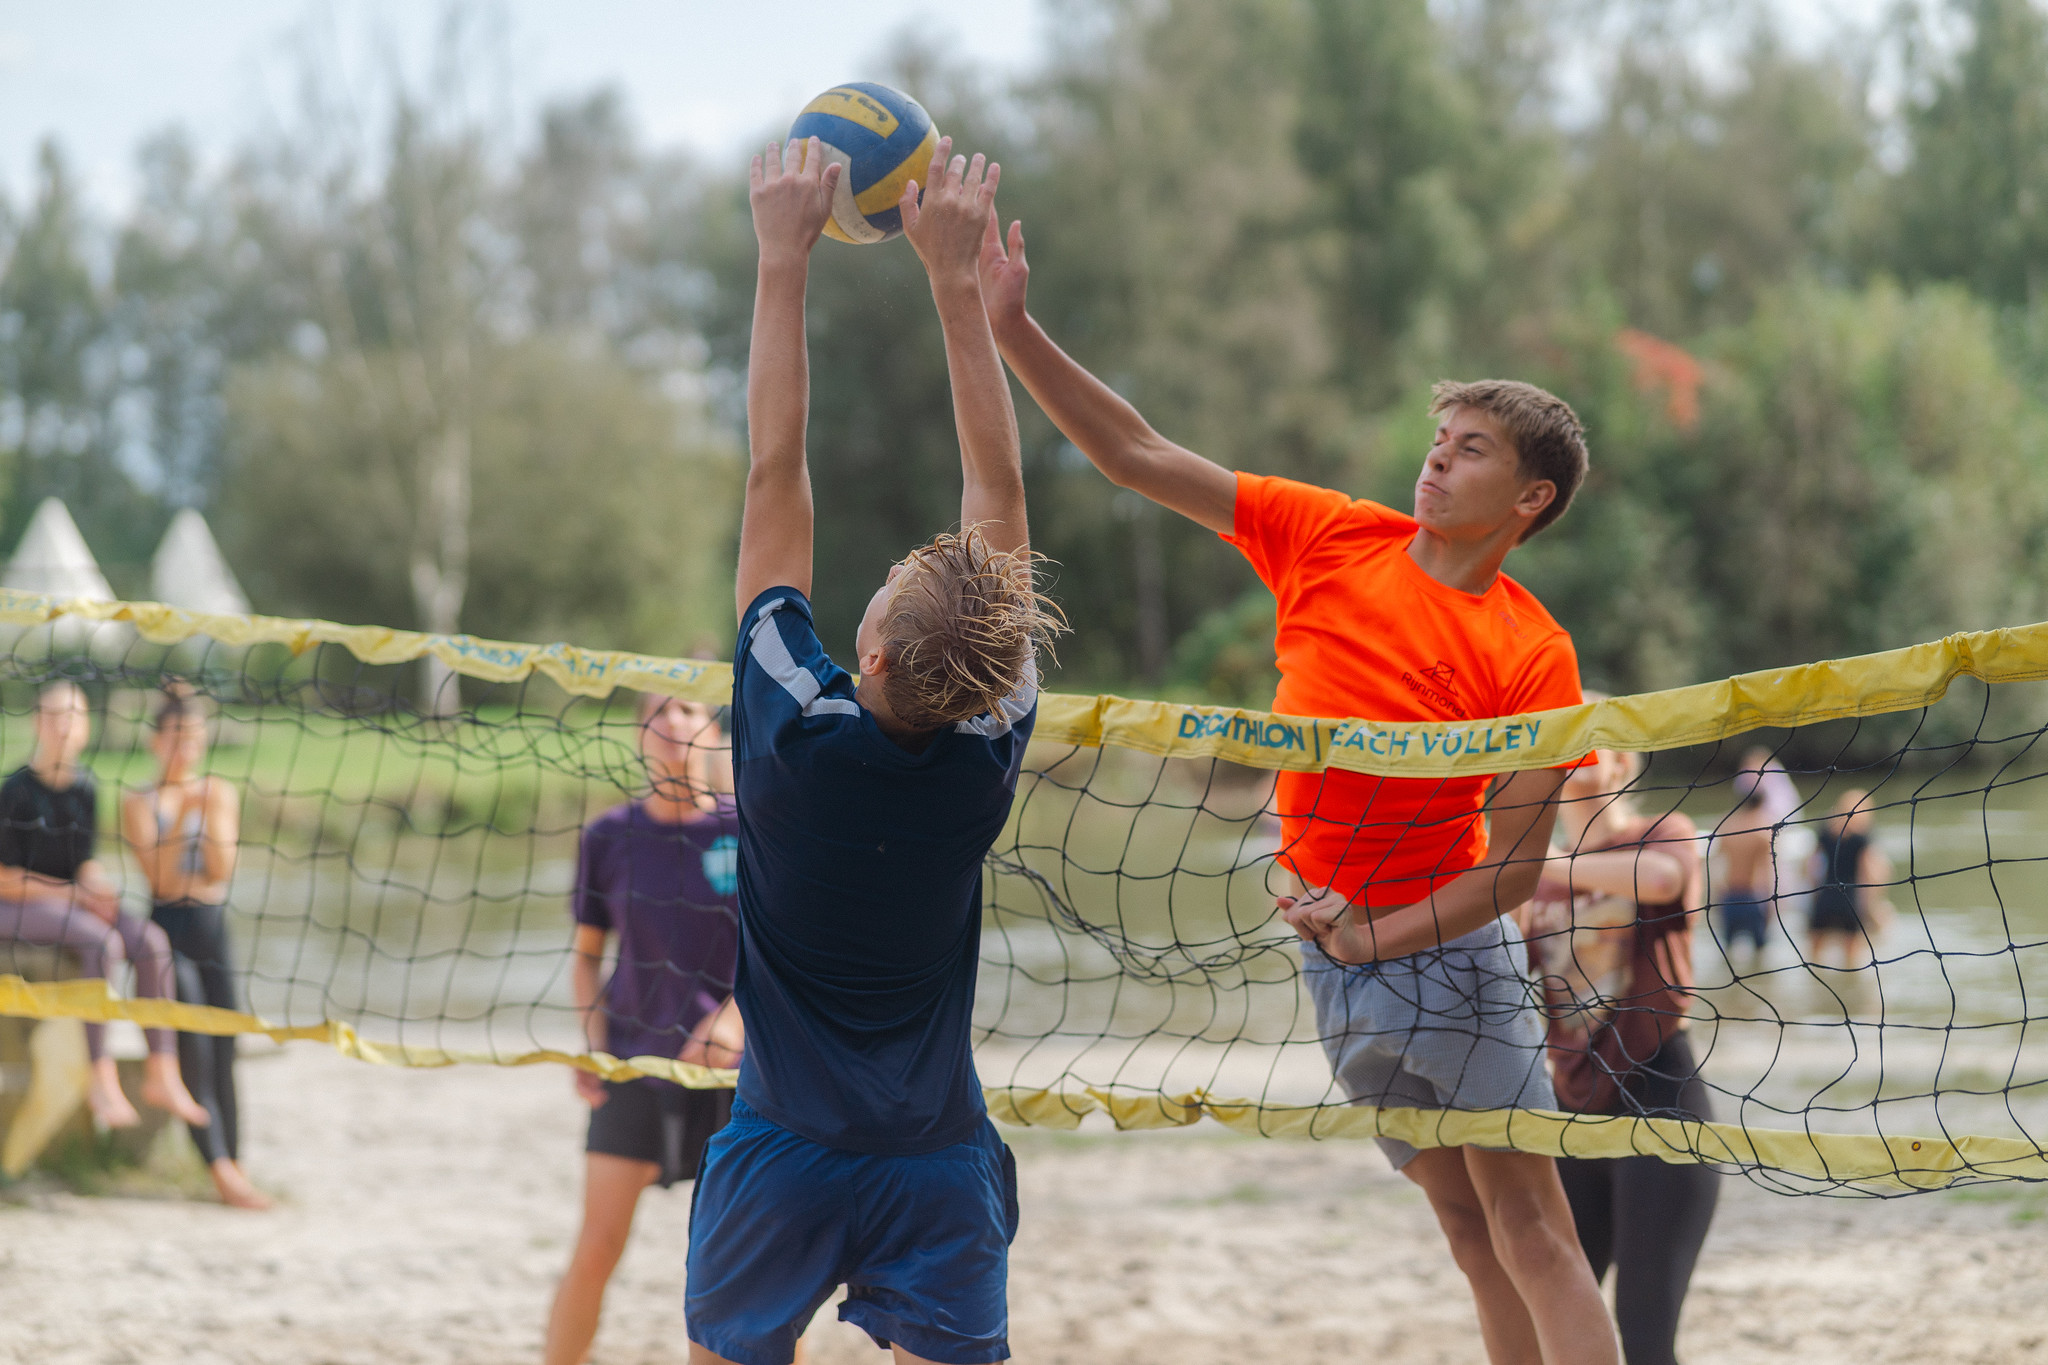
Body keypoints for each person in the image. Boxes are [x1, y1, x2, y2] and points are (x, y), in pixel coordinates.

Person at [983, 224, 1616, 1360]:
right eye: (1437, 439)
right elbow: (1133, 455)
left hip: (1440, 956)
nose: (1433, 459)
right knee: (1466, 1234)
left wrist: (1378, 941)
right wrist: (1010, 326)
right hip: (1326, 941)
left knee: (1534, 1232)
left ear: (1527, 499)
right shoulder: (1327, 536)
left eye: (1468, 449)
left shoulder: (1533, 654)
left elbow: (1512, 872)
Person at [683, 136, 1061, 1365]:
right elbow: (995, 503)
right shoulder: (982, 753)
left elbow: (775, 472)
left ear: (880, 655)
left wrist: (780, 258)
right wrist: (957, 290)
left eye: (893, 585)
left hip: (782, 1146)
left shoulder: (792, 729)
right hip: (934, 1159)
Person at [544, 692, 747, 1365]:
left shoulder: (749, 829)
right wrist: (594, 1046)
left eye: (688, 708)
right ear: (639, 734)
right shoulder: (608, 836)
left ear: (712, 731)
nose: (671, 722)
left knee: (739, 1267)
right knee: (596, 1248)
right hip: (632, 1063)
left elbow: (782, 959)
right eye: (656, 711)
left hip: (730, 1075)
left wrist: (733, 1020)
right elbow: (584, 957)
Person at [1525, 744, 1718, 1365]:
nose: (1573, 749)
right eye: (1562, 735)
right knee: (1548, 1315)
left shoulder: (1663, 832)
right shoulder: (1530, 874)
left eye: (1592, 737)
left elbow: (1662, 879)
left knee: (1643, 1330)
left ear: (1621, 766)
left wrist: (1540, 862)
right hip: (1571, 1109)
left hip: (1659, 1095)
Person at [0, 681, 208, 1130]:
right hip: (13, 905)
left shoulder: (87, 788)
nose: (64, 725)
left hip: (65, 901)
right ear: (38, 722)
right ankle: (100, 1075)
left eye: (74, 715)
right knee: (101, 942)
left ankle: (162, 1070)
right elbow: (4, 879)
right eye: (55, 715)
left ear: (87, 726)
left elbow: (83, 862)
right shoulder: (13, 790)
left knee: (151, 941)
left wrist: (97, 885)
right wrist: (73, 894)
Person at [118, 684, 269, 1209]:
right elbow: (160, 879)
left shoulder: (219, 792)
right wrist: (185, 812)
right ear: (156, 741)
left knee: (227, 1045)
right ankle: (219, 1169)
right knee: (194, 1048)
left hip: (212, 926)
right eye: (178, 736)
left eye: (195, 736)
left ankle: (236, 1161)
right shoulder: (138, 800)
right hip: (166, 932)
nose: (187, 747)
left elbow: (219, 871)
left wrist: (196, 815)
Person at [1807, 788, 1894, 968]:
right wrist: (1873, 906)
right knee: (1851, 965)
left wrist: (1814, 897)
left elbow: (1811, 867)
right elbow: (1870, 874)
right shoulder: (1862, 838)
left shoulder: (1825, 833)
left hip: (1825, 898)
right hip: (1850, 902)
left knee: (1813, 962)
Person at [1714, 776, 1776, 964]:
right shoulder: (1763, 830)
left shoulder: (1727, 826)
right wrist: (1772, 902)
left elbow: (1717, 865)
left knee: (1727, 957)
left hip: (1729, 895)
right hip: (1754, 896)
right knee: (1761, 957)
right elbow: (1767, 871)